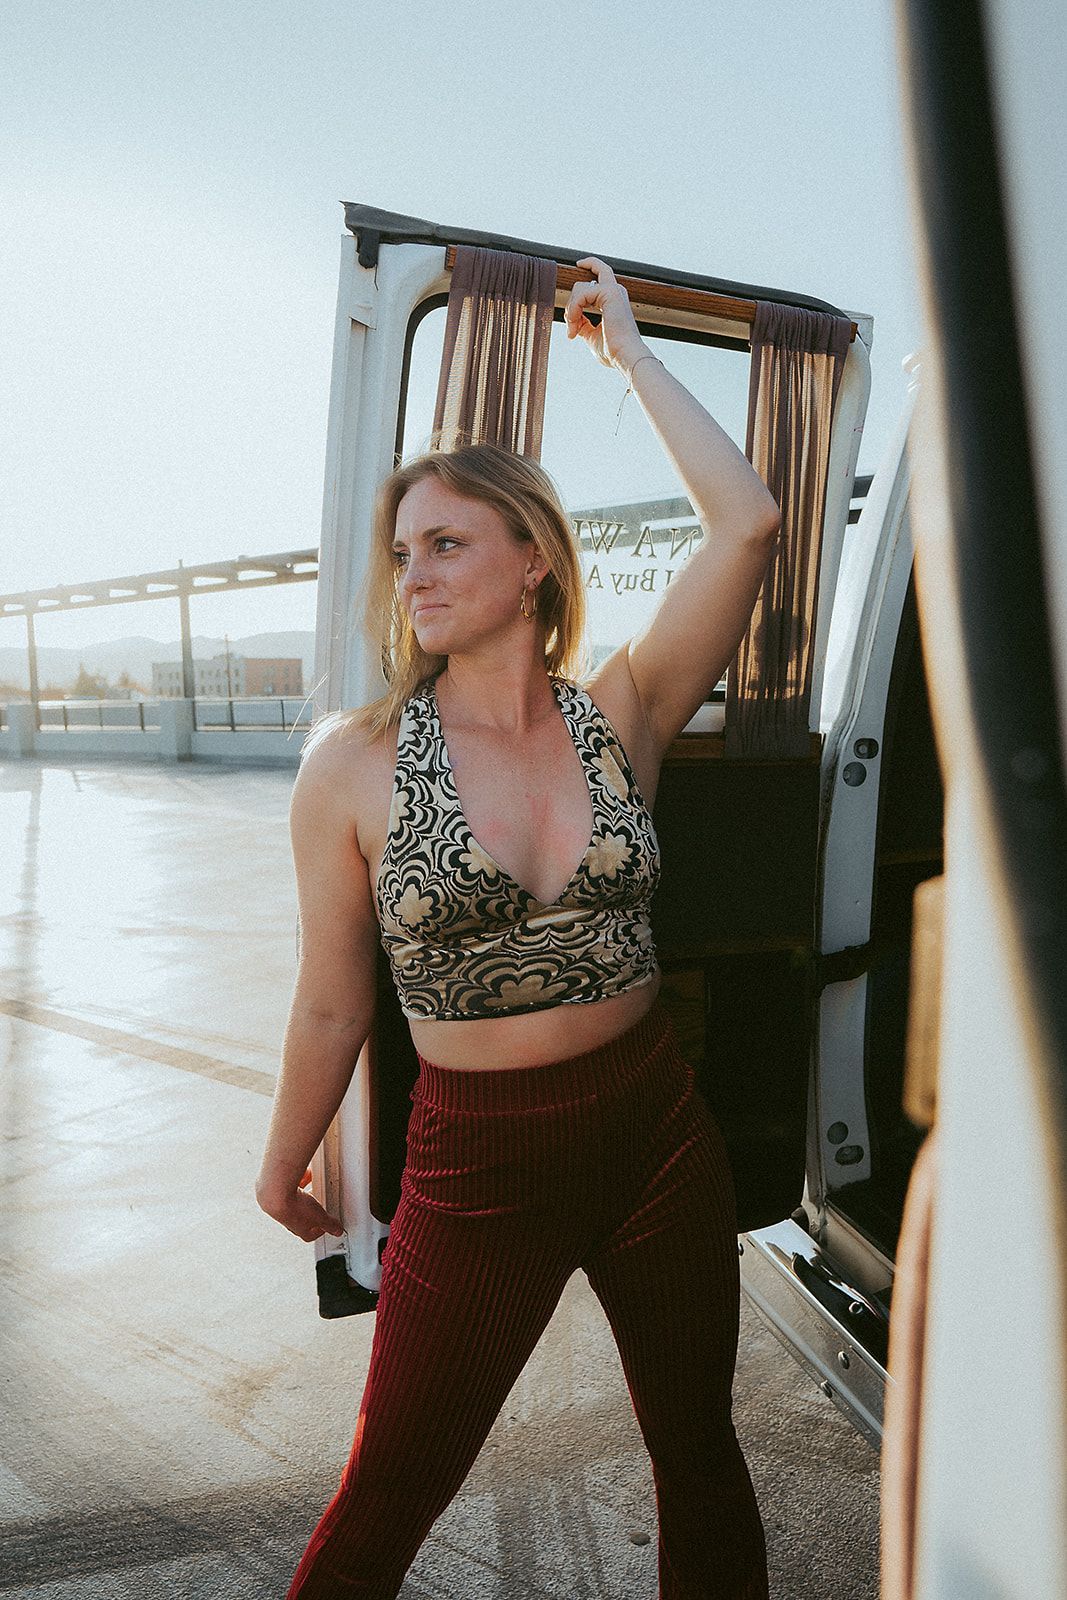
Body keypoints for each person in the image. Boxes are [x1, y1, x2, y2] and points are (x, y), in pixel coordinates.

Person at [256, 256, 782, 1599]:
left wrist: (634, 356)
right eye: (403, 553)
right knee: (384, 1503)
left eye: (447, 543)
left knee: (699, 1457)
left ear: (533, 557)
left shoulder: (623, 713)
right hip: (476, 1173)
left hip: (657, 1133)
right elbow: (333, 1001)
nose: (414, 575)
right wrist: (283, 1160)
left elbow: (750, 527)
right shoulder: (356, 765)